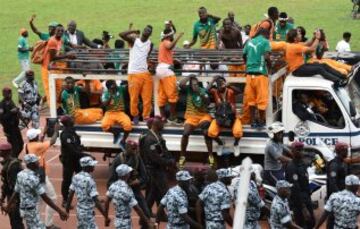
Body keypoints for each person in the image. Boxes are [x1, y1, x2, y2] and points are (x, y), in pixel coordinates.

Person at [4, 154, 68, 229]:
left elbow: (16, 191)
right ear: (31, 164)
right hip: (31, 211)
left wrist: (8, 206)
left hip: (23, 209)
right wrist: (60, 211)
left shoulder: (20, 174)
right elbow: (45, 198)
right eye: (36, 161)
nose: (38, 163)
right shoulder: (34, 179)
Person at [107, 140, 151, 226]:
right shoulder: (118, 160)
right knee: (123, 215)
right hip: (121, 191)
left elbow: (144, 176)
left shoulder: (137, 158)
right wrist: (118, 188)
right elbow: (111, 180)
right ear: (127, 148)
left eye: (136, 149)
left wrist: (137, 181)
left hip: (134, 189)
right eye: (133, 149)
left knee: (146, 213)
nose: (135, 151)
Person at [25, 125, 60, 229]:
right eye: (38, 134)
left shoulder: (27, 145)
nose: (39, 135)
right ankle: (48, 224)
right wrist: (56, 131)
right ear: (35, 137)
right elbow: (52, 141)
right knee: (52, 198)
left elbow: (39, 143)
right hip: (41, 176)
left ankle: (36, 221)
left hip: (34, 174)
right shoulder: (38, 146)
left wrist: (44, 132)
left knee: (39, 200)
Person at [120, 25, 154, 124]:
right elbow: (121, 34)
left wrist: (150, 66)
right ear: (143, 30)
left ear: (150, 34)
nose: (147, 31)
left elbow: (146, 56)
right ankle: (135, 115)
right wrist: (133, 30)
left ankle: (146, 116)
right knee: (134, 97)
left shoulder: (150, 44)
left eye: (149, 31)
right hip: (134, 73)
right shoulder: (134, 40)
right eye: (146, 29)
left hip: (145, 73)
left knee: (147, 98)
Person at [141, 116, 175, 212]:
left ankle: (153, 213)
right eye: (161, 123)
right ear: (155, 124)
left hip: (158, 169)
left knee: (154, 193)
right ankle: (146, 215)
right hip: (153, 170)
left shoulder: (157, 135)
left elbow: (164, 150)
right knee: (162, 192)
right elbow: (154, 157)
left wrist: (171, 160)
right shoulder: (149, 139)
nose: (163, 124)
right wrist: (168, 162)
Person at [105, 164, 155, 229]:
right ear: (126, 175)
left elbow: (107, 202)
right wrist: (148, 222)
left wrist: (106, 217)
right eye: (128, 172)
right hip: (125, 222)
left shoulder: (113, 186)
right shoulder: (127, 190)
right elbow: (137, 208)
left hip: (117, 221)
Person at [179, 76, 213, 169]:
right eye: (193, 84)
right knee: (185, 133)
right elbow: (181, 84)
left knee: (206, 131)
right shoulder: (188, 90)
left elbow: (208, 102)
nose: (195, 86)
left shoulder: (202, 90)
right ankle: (182, 157)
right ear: (190, 85)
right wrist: (190, 75)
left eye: (196, 84)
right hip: (191, 117)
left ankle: (210, 156)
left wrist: (201, 93)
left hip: (203, 116)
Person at [66, 156, 109, 228]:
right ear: (87, 167)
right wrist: (106, 216)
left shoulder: (76, 177)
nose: (93, 166)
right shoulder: (90, 181)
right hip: (87, 213)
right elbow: (96, 201)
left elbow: (70, 194)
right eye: (92, 165)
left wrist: (67, 210)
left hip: (79, 211)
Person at [207, 76, 243, 156]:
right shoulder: (215, 91)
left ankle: (236, 144)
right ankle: (220, 143)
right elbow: (207, 90)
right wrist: (213, 79)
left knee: (238, 132)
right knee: (210, 132)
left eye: (222, 83)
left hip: (232, 117)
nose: (220, 85)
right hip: (220, 118)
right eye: (219, 84)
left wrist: (228, 85)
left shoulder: (230, 90)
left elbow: (240, 91)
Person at [243, 28, 271, 128]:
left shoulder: (249, 41)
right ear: (266, 34)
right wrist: (270, 68)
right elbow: (267, 57)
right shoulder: (265, 42)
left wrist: (248, 65)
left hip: (249, 76)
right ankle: (261, 121)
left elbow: (244, 55)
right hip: (260, 75)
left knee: (251, 101)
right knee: (262, 101)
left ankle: (252, 121)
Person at [42, 24, 76, 106]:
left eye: (62, 31)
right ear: (54, 31)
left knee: (59, 88)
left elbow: (60, 54)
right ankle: (54, 110)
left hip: (55, 68)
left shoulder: (60, 40)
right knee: (51, 91)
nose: (60, 32)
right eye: (58, 31)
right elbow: (53, 58)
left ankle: (57, 107)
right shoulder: (52, 41)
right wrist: (68, 55)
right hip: (48, 68)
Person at [156, 28, 184, 123]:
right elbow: (170, 46)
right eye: (172, 35)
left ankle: (163, 117)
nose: (173, 36)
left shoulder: (162, 43)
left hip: (161, 70)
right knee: (173, 95)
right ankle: (172, 117)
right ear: (168, 36)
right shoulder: (166, 41)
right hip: (166, 71)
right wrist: (178, 37)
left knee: (162, 95)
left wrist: (174, 61)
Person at [285, 142, 315, 228]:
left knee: (311, 223)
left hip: (306, 199)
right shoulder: (291, 167)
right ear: (293, 151)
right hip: (298, 202)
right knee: (303, 225)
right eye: (298, 150)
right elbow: (295, 190)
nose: (301, 152)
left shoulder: (302, 164)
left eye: (302, 150)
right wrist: (303, 208)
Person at [0, 143, 25, 229]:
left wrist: (10, 203)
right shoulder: (9, 163)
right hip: (11, 196)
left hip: (16, 199)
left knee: (16, 222)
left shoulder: (12, 166)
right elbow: (6, 184)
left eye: (1, 151)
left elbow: (16, 188)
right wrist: (2, 198)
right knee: (14, 222)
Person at [101, 80, 132, 145]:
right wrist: (111, 96)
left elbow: (128, 86)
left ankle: (123, 140)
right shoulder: (105, 93)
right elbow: (104, 104)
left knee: (128, 126)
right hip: (110, 113)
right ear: (109, 87)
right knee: (104, 125)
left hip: (120, 112)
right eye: (113, 85)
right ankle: (116, 133)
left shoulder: (120, 88)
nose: (115, 86)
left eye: (115, 84)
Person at [326, 142, 349, 229]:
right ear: (339, 151)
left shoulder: (344, 163)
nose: (347, 152)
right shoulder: (334, 164)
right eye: (345, 151)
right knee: (332, 218)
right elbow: (333, 183)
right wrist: (340, 197)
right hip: (336, 197)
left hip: (343, 195)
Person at [263, 122, 292, 186]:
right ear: (273, 134)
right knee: (283, 187)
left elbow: (287, 149)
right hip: (271, 171)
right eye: (279, 133)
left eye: (281, 133)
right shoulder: (270, 145)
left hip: (279, 169)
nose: (281, 135)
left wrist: (296, 153)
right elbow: (280, 157)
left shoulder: (278, 142)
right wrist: (293, 160)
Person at [0, 87, 24, 157]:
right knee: (15, 147)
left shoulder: (11, 101)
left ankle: (14, 158)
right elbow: (2, 118)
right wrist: (11, 112)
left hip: (15, 127)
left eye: (10, 93)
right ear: (4, 94)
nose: (10, 95)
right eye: (8, 93)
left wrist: (17, 111)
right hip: (9, 129)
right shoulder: (2, 104)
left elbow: (15, 111)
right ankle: (12, 160)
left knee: (21, 144)